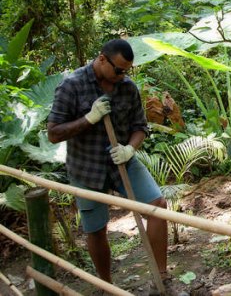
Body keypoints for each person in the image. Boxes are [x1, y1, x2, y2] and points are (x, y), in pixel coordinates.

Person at [47, 39, 169, 290]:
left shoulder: (127, 88)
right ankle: (107, 286)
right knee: (96, 229)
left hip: (122, 162)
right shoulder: (72, 86)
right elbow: (54, 133)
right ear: (102, 59)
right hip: (86, 167)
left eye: (127, 70)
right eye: (119, 69)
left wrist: (129, 148)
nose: (122, 75)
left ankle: (162, 278)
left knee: (158, 206)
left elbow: (140, 127)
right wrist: (88, 119)